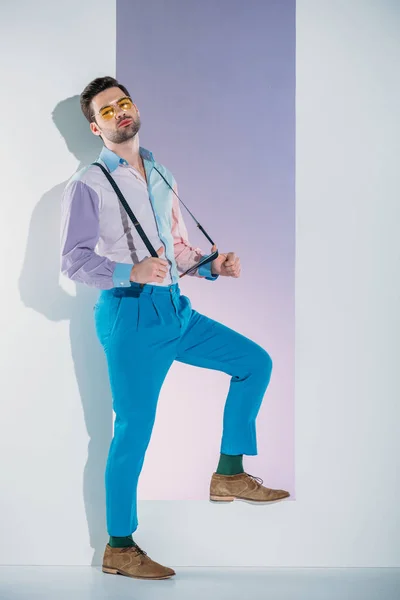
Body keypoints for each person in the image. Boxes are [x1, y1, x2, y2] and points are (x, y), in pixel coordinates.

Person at [60, 76, 289, 581]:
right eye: (106, 110)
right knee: (133, 433)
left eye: (124, 102)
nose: (119, 112)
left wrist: (212, 265)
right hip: (129, 316)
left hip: (175, 309)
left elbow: (176, 250)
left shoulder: (161, 173)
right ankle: (119, 546)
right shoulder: (89, 183)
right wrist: (129, 272)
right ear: (95, 127)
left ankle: (228, 474)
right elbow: (73, 261)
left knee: (255, 363)